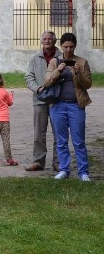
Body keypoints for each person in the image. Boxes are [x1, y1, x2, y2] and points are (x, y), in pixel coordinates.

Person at [44, 33, 91, 181]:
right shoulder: (54, 61)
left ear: (75, 46)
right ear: (61, 46)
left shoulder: (82, 62)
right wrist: (58, 71)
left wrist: (78, 73)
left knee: (79, 140)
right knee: (61, 140)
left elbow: (88, 84)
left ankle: (83, 172)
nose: (68, 50)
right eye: (65, 47)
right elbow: (46, 83)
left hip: (76, 105)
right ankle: (64, 169)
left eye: (71, 46)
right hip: (58, 105)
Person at [23, 31, 61, 172]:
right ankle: (38, 161)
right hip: (39, 100)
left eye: (49, 39)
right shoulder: (34, 59)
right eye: (44, 39)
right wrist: (37, 89)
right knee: (39, 133)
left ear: (54, 41)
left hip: (58, 100)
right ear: (41, 41)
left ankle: (58, 162)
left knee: (59, 132)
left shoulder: (61, 58)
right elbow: (28, 77)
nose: (47, 41)